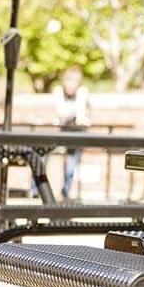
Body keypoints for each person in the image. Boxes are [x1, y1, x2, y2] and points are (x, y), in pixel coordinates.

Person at [53, 66, 90, 199]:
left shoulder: (82, 91)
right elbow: (62, 112)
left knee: (71, 164)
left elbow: (80, 115)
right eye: (69, 80)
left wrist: (73, 113)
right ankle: (35, 191)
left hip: (78, 134)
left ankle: (66, 191)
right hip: (63, 134)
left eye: (74, 81)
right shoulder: (58, 91)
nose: (71, 84)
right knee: (41, 155)